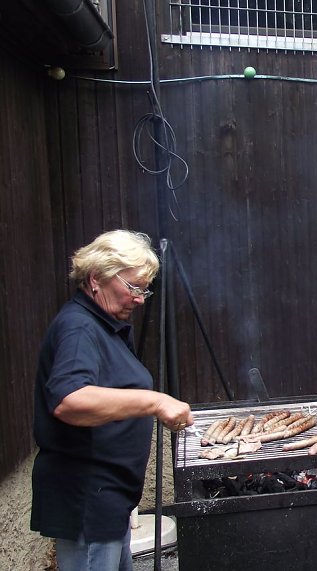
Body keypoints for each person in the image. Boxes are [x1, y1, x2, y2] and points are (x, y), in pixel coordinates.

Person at [31, 229, 194, 571]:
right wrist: (153, 402)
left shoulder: (105, 325)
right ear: (96, 278)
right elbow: (69, 400)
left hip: (110, 499)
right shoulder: (80, 329)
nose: (139, 299)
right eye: (133, 287)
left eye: (144, 290)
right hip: (88, 499)